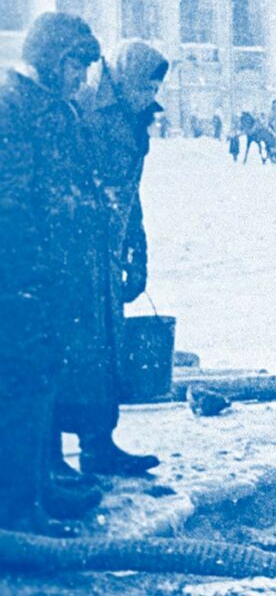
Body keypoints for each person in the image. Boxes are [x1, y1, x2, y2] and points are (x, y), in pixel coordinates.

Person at [0, 12, 103, 535]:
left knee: (43, 381)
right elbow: (10, 204)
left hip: (50, 276)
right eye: (75, 64)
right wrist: (27, 274)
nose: (82, 77)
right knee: (20, 389)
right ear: (50, 58)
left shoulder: (49, 106)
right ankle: (17, 509)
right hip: (19, 280)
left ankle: (39, 487)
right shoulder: (12, 107)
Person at [61, 41, 166, 481]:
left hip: (109, 252)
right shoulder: (86, 110)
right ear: (124, 79)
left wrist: (137, 251)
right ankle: (55, 458)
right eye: (147, 85)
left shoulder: (132, 115)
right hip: (77, 253)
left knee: (107, 350)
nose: (152, 95)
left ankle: (99, 444)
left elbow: (132, 193)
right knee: (75, 351)